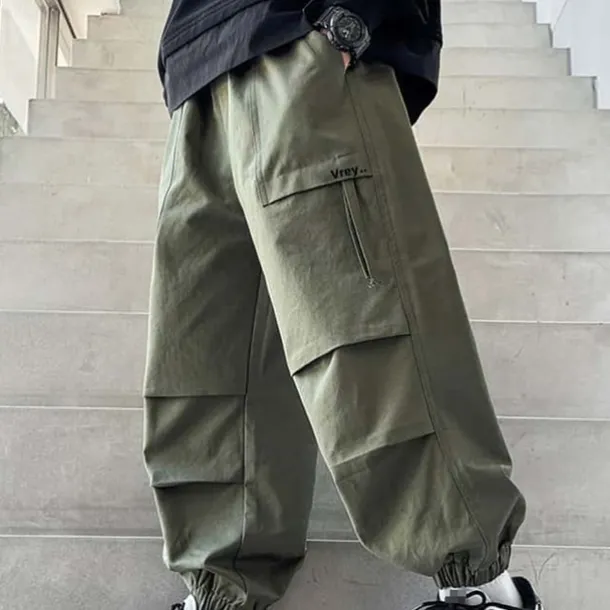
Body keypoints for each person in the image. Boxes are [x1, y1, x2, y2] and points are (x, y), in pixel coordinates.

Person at [143, 1, 545, 609]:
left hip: (299, 29)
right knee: (205, 365)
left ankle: (484, 591)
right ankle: (221, 590)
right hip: (199, 69)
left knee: (371, 335)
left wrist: (352, 15)